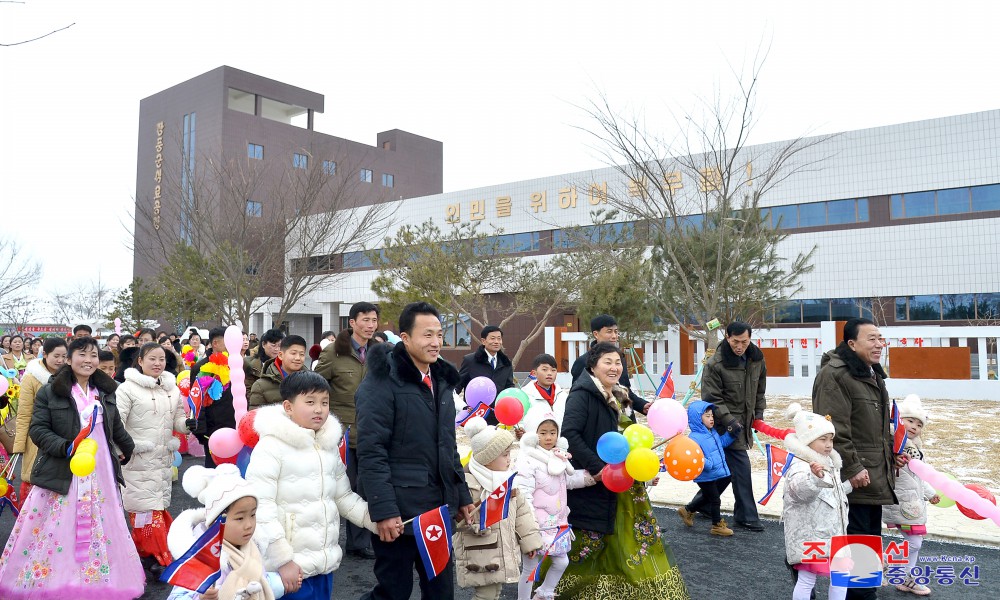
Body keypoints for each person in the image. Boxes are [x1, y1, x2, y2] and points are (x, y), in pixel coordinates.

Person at [0, 336, 143, 599]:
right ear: (68, 359)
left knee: (103, 524)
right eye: (82, 355)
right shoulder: (51, 390)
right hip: (65, 468)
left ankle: (98, 581)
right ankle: (58, 580)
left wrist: (128, 447)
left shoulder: (105, 390)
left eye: (93, 356)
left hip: (100, 469)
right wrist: (66, 447)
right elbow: (38, 429)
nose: (88, 360)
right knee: (57, 527)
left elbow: (115, 426)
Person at [356, 301, 476, 600]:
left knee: (441, 592)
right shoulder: (382, 381)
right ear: (405, 338)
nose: (436, 342)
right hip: (400, 512)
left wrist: (461, 497)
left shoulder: (442, 381)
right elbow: (372, 451)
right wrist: (384, 510)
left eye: (439, 334)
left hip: (437, 510)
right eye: (427, 335)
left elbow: (447, 447)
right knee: (393, 592)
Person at [560, 342, 688, 598]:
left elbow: (632, 436)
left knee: (633, 541)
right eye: (607, 362)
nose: (614, 367)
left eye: (618, 362)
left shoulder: (621, 394)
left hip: (627, 484)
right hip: (598, 483)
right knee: (591, 544)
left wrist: (644, 468)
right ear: (593, 365)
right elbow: (570, 435)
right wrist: (597, 469)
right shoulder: (582, 394)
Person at [246, 371, 376, 600]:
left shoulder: (327, 445)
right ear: (288, 406)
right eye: (310, 402)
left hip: (323, 563)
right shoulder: (271, 447)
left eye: (324, 402)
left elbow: (343, 496)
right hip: (288, 567)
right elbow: (260, 509)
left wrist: (375, 520)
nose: (319, 409)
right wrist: (282, 560)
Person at [812, 318, 903, 600]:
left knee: (867, 534)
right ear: (852, 344)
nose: (879, 344)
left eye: (880, 338)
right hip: (855, 473)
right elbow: (834, 429)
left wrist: (892, 454)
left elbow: (874, 426)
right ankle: (859, 595)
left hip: (874, 469)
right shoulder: (835, 375)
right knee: (857, 536)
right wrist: (852, 466)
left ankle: (862, 591)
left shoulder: (872, 372)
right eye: (871, 339)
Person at [313, 301, 380, 560]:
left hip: (373, 432)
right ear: (352, 322)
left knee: (368, 486)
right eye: (365, 320)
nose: (370, 325)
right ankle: (332, 539)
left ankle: (360, 540)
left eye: (374, 320)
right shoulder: (333, 353)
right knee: (345, 488)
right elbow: (317, 387)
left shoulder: (379, 352)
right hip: (343, 435)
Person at [116, 342, 189, 576]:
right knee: (144, 510)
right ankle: (160, 555)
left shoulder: (172, 388)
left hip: (162, 461)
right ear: (139, 361)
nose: (157, 363)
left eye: (161, 359)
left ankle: (148, 555)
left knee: (157, 506)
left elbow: (179, 419)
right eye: (152, 359)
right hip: (137, 460)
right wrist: (124, 450)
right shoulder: (126, 389)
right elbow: (116, 424)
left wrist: (188, 425)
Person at [167, 463, 290, 600]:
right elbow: (176, 596)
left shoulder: (252, 547)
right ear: (216, 520)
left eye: (253, 515)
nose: (249, 525)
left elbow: (262, 580)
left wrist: (279, 583)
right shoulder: (198, 556)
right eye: (240, 518)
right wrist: (200, 598)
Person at [456, 417, 542, 600]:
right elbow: (459, 520)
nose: (509, 459)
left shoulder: (506, 480)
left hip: (500, 549)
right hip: (479, 552)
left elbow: (522, 513)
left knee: (494, 592)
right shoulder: (468, 485)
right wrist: (476, 524)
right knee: (485, 594)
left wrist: (530, 542)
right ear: (488, 458)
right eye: (504, 455)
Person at [514, 407, 594, 600]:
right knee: (531, 567)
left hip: (556, 522)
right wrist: (529, 526)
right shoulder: (527, 459)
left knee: (561, 561)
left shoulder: (558, 457)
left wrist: (591, 478)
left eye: (552, 432)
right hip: (534, 525)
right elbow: (523, 494)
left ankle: (544, 593)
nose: (548, 437)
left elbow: (568, 480)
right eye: (543, 433)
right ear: (534, 434)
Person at [697, 321, 767, 532]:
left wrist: (759, 415)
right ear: (727, 337)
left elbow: (760, 391)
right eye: (735, 341)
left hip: (744, 422)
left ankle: (702, 505)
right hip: (723, 426)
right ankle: (746, 516)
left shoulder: (756, 358)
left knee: (724, 471)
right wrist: (730, 421)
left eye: (744, 341)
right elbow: (712, 398)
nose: (740, 346)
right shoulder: (715, 364)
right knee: (741, 468)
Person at [782, 403, 853, 600]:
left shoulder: (828, 463)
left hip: (833, 534)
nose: (829, 444)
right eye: (823, 439)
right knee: (807, 578)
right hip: (810, 535)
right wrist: (813, 478)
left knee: (841, 576)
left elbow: (830, 494)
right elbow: (799, 492)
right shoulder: (800, 465)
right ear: (807, 440)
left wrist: (849, 485)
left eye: (831, 439)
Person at [883, 394, 938, 596]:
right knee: (913, 542)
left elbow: (918, 476)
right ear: (900, 421)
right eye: (910, 421)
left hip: (912, 502)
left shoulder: (915, 447)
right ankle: (885, 561)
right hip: (902, 502)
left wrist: (930, 493)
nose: (915, 426)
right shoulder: (895, 443)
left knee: (916, 542)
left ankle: (908, 578)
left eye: (919, 424)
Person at [11, 337, 67, 502]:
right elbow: (24, 413)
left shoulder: (69, 377)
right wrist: (20, 445)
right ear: (45, 354)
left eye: (64, 356)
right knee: (35, 478)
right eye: (56, 356)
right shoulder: (31, 378)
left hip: (63, 436)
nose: (60, 360)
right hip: (37, 436)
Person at [677, 400, 736, 536]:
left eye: (712, 416)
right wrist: (712, 463)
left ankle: (688, 510)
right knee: (715, 499)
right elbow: (698, 459)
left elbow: (721, 443)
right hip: (704, 475)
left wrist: (732, 434)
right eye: (707, 416)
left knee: (708, 495)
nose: (711, 419)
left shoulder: (712, 432)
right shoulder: (694, 438)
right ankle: (717, 525)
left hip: (713, 473)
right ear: (698, 418)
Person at [569, 315, 648, 415]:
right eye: (609, 331)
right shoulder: (583, 362)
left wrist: (642, 405)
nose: (614, 336)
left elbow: (625, 390)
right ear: (596, 334)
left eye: (616, 331)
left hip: (624, 420)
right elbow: (577, 397)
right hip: (598, 419)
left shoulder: (620, 358)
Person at [189, 327, 237, 467]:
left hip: (234, 427)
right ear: (215, 343)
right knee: (214, 471)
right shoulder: (201, 368)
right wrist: (201, 432)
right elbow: (197, 402)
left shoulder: (236, 364)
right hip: (212, 431)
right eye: (228, 341)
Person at [457, 325, 516, 425]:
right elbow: (457, 386)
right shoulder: (470, 361)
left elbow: (509, 387)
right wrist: (461, 406)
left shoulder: (506, 363)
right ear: (483, 341)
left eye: (499, 338)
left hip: (498, 416)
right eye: (492, 338)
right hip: (475, 416)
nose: (496, 342)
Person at [249, 335, 309, 408]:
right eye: (293, 353)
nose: (298, 358)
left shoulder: (312, 383)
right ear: (280, 355)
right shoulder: (260, 386)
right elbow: (255, 417)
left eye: (302, 354)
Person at [521, 353, 568, 423]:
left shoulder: (563, 396)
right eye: (545, 369)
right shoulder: (525, 395)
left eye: (553, 370)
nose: (549, 373)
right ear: (534, 373)